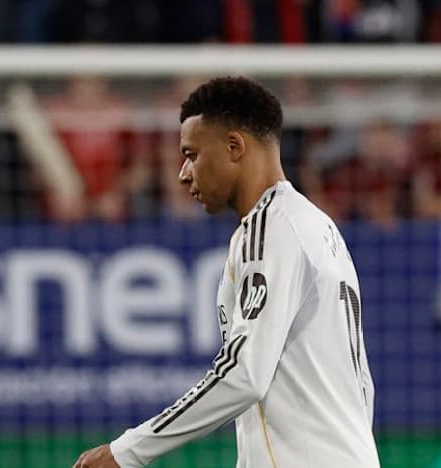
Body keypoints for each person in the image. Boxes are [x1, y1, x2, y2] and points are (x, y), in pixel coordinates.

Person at [73, 77, 380, 468]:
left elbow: (245, 373)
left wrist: (128, 451)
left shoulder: (272, 228)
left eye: (192, 154)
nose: (184, 173)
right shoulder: (316, 225)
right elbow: (361, 383)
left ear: (234, 147)